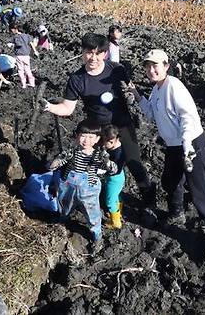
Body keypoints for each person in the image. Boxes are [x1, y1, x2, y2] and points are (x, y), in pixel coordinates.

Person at [127, 49, 205, 261]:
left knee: (199, 189)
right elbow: (151, 113)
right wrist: (136, 96)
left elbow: (188, 117)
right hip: (173, 145)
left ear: (166, 66)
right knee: (169, 181)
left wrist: (187, 143)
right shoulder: (156, 90)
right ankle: (177, 212)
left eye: (156, 66)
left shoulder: (174, 88)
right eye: (148, 66)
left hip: (191, 143)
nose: (151, 70)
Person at [43, 33, 156, 210]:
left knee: (134, 162)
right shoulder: (77, 79)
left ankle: (149, 200)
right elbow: (67, 108)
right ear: (82, 52)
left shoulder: (116, 69)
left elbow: (131, 88)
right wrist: (49, 107)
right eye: (89, 52)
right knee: (93, 164)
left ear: (104, 54)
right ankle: (97, 197)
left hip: (122, 125)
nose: (93, 58)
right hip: (97, 131)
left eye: (98, 53)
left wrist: (136, 98)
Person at [48, 120, 116, 253]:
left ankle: (97, 236)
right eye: (83, 136)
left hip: (89, 189)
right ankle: (62, 221)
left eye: (91, 137)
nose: (86, 140)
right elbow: (54, 165)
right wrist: (58, 160)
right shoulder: (72, 152)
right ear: (77, 136)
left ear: (97, 139)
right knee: (65, 205)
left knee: (92, 213)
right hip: (69, 185)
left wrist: (106, 161)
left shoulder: (98, 156)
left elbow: (113, 169)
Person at [100, 125, 126, 229]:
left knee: (110, 200)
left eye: (104, 141)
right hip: (119, 177)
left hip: (114, 179)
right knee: (116, 195)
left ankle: (116, 222)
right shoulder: (118, 145)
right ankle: (118, 212)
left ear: (111, 141)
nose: (102, 143)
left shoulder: (118, 155)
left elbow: (114, 169)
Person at [9, 24, 37, 89]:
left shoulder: (15, 37)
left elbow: (12, 44)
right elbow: (31, 44)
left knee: (20, 70)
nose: (12, 31)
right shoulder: (27, 36)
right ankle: (32, 83)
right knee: (28, 69)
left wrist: (11, 45)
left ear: (16, 29)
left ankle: (23, 84)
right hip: (26, 55)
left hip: (19, 55)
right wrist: (35, 51)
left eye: (12, 30)